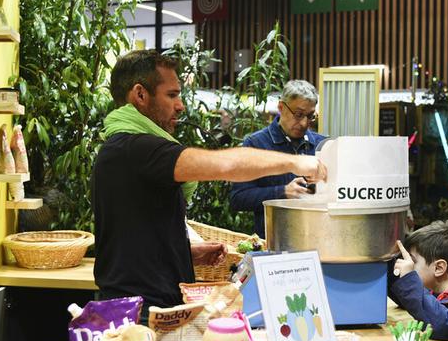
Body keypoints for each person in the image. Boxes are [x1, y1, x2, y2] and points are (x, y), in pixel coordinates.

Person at [92, 50, 326, 316]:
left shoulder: (123, 148)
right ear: (140, 95)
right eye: (171, 95)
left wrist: (185, 252)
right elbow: (226, 166)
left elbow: (134, 239)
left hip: (145, 304)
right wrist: (294, 163)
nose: (180, 105)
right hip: (140, 312)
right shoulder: (137, 148)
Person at [229, 80, 326, 237]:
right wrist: (282, 192)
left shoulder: (323, 145)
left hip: (317, 239)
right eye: (298, 114)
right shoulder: (256, 144)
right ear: (281, 107)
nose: (303, 123)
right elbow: (238, 198)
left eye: (310, 116)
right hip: (274, 244)